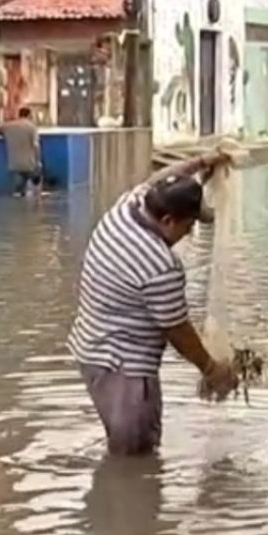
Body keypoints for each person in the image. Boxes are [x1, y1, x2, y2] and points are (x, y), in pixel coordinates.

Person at [67, 151, 239, 456]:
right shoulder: (159, 264)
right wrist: (212, 369)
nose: (190, 232)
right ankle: (131, 499)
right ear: (168, 220)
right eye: (188, 226)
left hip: (92, 352)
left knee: (124, 450)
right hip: (126, 372)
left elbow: (156, 180)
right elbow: (177, 329)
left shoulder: (128, 206)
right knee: (135, 458)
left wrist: (200, 164)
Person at [0, 107, 42, 197]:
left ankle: (19, 197)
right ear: (29, 115)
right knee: (35, 182)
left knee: (18, 186)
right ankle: (33, 199)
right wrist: (38, 161)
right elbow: (36, 145)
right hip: (29, 163)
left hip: (14, 162)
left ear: (19, 115)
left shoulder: (9, 126)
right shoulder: (32, 127)